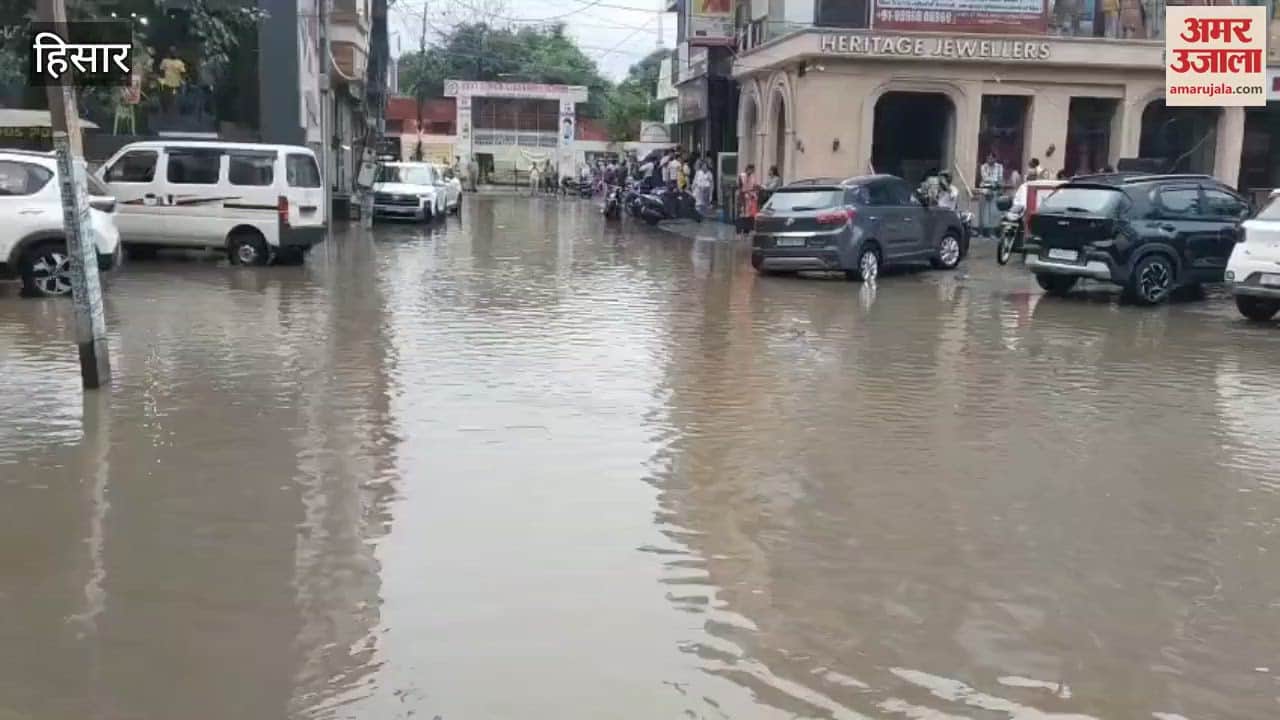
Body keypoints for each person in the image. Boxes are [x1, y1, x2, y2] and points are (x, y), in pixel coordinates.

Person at [979, 152, 1004, 234]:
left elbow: (1000, 178)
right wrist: (993, 183)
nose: (989, 160)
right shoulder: (984, 167)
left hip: (995, 191)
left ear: (995, 159)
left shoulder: (999, 167)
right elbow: (985, 177)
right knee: (984, 213)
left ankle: (992, 232)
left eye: (991, 158)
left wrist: (998, 186)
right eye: (988, 158)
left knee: (994, 212)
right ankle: (982, 232)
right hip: (985, 191)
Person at [736, 164, 759, 237]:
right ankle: (739, 229)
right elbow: (740, 187)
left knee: (749, 214)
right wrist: (742, 194)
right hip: (743, 196)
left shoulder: (753, 177)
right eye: (751, 169)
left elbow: (754, 186)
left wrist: (754, 192)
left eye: (753, 170)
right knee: (742, 213)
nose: (751, 171)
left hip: (750, 197)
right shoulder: (742, 176)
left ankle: (747, 229)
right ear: (747, 169)